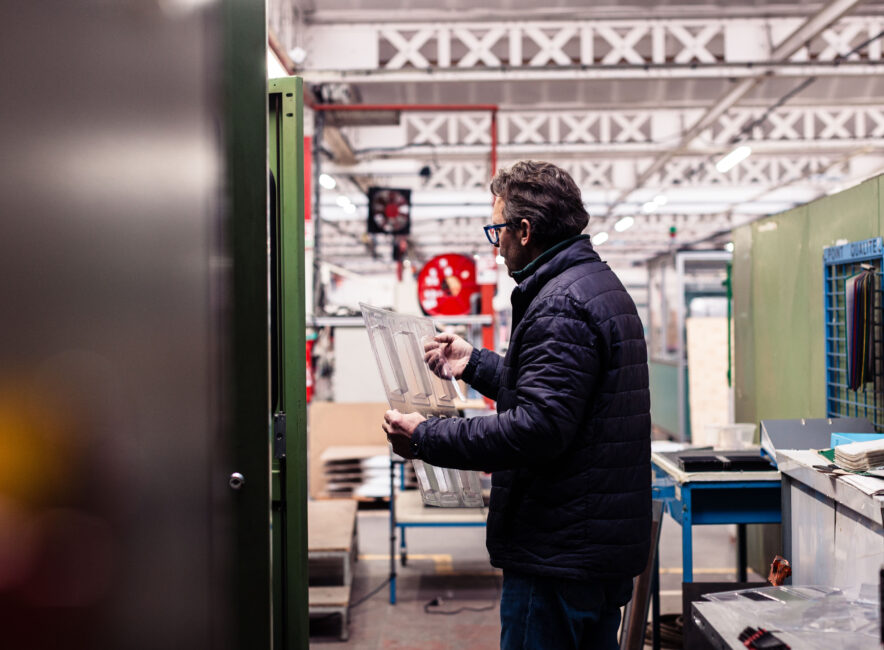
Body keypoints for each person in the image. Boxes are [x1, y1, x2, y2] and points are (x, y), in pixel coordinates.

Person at [382, 160, 651, 650]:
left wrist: (425, 437)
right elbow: (564, 399)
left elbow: (538, 428)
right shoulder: (595, 288)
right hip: (589, 550)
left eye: (497, 229)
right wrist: (476, 364)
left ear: (524, 231)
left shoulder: (559, 304)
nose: (496, 243)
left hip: (557, 555)